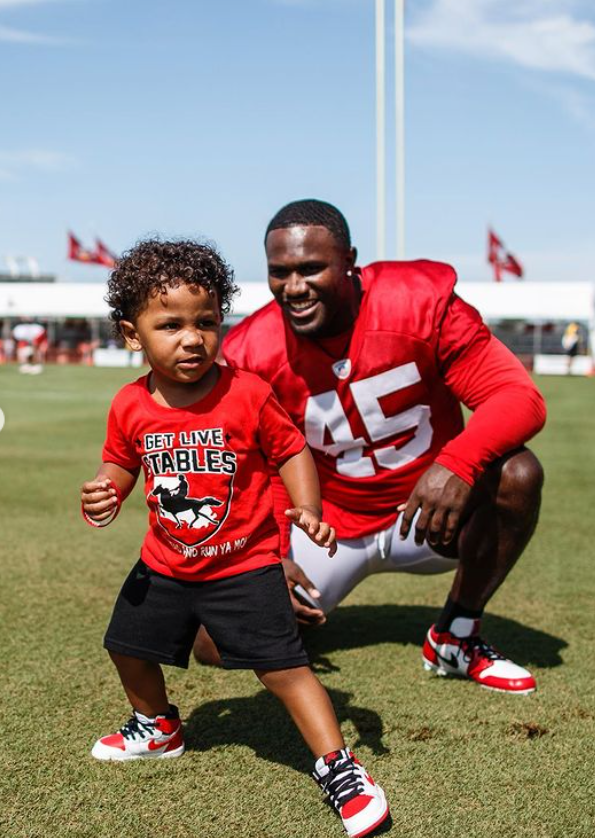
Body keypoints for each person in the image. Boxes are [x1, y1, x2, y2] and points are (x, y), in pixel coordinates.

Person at [80, 239, 389, 838]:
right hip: (163, 567)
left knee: (284, 670)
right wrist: (105, 492)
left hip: (243, 567)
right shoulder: (130, 404)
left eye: (206, 322)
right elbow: (121, 463)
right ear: (131, 333)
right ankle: (157, 726)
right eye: (170, 325)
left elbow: (291, 448)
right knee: (126, 646)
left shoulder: (246, 392)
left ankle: (339, 766)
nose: (192, 338)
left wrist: (306, 508)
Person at [194, 200, 547, 695]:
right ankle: (299, 620)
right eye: (280, 273)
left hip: (428, 515)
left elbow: (519, 396)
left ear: (349, 261)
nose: (294, 288)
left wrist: (459, 463)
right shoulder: (254, 348)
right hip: (328, 525)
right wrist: (269, 556)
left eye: (311, 269)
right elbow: (259, 466)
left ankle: (457, 634)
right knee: (215, 642)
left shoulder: (418, 302)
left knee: (517, 474)